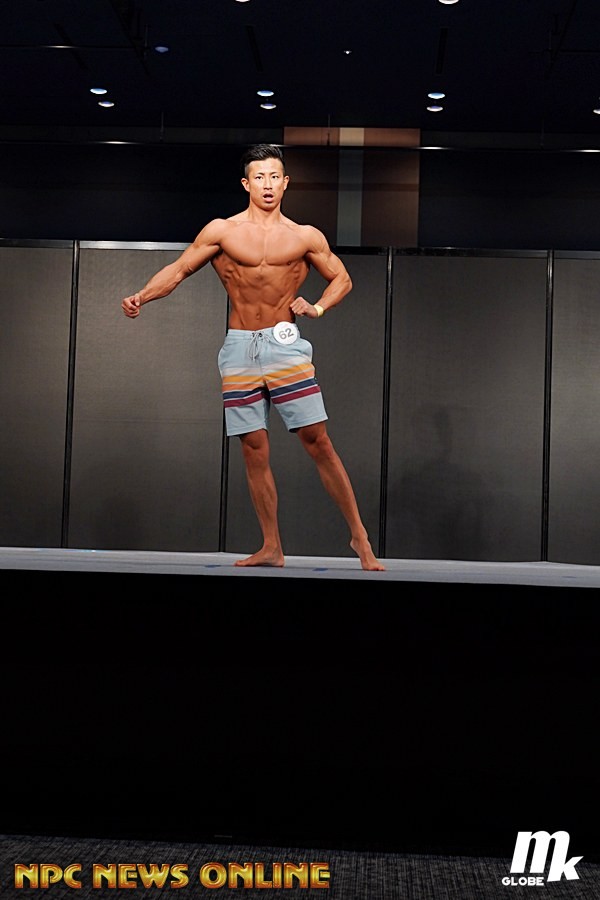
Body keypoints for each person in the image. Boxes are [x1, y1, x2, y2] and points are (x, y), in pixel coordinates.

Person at [121, 143, 384, 571]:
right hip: (240, 347)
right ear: (246, 184)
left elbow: (343, 278)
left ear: (286, 182)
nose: (267, 185)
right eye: (259, 177)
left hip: (284, 344)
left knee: (317, 440)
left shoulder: (304, 236)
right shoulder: (222, 231)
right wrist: (142, 296)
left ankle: (359, 537)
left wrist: (317, 307)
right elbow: (179, 269)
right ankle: (271, 546)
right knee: (253, 448)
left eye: (274, 177)